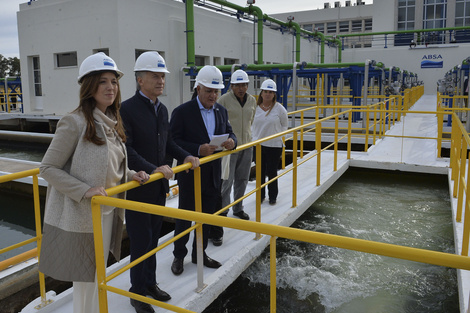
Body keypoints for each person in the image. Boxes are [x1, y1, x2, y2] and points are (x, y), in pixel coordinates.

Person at [38, 52, 150, 313]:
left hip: (108, 210)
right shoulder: (74, 122)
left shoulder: (111, 120)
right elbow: (48, 167)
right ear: (89, 86)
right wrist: (85, 190)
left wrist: (132, 175)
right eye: (103, 82)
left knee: (97, 273)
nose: (110, 87)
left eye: (114, 81)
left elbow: (111, 164)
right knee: (86, 277)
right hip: (86, 213)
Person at [120, 51, 199, 313]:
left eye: (162, 76)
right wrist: (154, 168)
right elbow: (126, 149)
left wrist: (187, 155)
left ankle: (150, 284)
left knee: (153, 239)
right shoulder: (127, 109)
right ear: (140, 80)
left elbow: (168, 143)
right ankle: (137, 293)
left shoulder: (162, 109)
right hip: (139, 187)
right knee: (141, 241)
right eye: (155, 76)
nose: (161, 80)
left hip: (159, 187)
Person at [170, 65, 237, 276]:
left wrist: (231, 142)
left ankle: (200, 254)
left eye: (216, 91)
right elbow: (173, 141)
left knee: (207, 217)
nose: (213, 95)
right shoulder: (182, 112)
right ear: (198, 88)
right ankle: (179, 256)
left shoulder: (221, 111)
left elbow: (232, 133)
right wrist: (198, 149)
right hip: (191, 176)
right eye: (209, 90)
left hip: (212, 176)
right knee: (184, 218)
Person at [208, 69, 256, 245]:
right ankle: (223, 211)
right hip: (229, 148)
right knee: (226, 180)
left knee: (243, 178)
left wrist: (246, 138)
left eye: (244, 85)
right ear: (232, 86)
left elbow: (250, 120)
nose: (241, 88)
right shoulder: (223, 100)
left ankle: (238, 208)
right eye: (238, 85)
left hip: (247, 145)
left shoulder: (252, 100)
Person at [251, 79, 288, 205]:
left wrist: (276, 136)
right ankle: (260, 195)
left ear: (274, 94)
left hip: (274, 145)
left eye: (270, 92)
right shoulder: (255, 108)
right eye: (265, 91)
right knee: (260, 172)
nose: (268, 94)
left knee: (272, 172)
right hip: (258, 145)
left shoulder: (280, 109)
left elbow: (284, 126)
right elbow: (250, 124)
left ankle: (273, 197)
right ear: (261, 93)